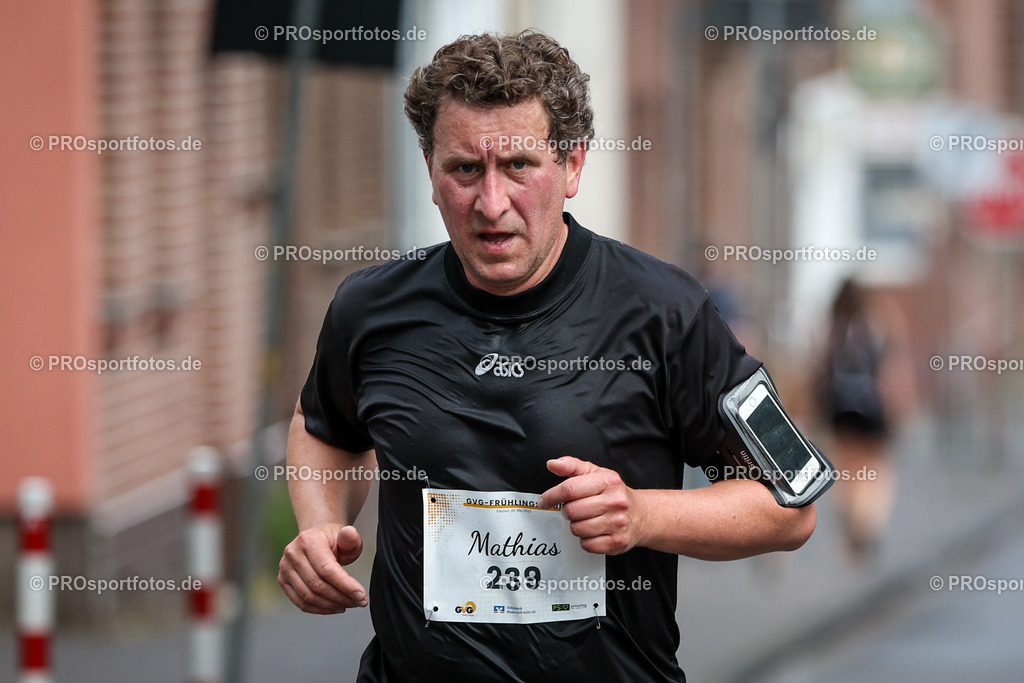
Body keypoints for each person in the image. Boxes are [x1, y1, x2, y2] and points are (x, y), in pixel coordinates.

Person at [278, 30, 816, 682]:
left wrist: (642, 514)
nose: (492, 203)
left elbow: (790, 505)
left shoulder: (665, 313)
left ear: (573, 166)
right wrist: (320, 525)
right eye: (465, 170)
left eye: (519, 166)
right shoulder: (372, 308)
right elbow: (322, 425)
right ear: (430, 170)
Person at [813, 277, 914, 563]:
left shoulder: (835, 324)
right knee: (876, 466)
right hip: (872, 408)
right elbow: (894, 367)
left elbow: (818, 367)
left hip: (840, 408)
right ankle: (867, 520)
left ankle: (854, 523)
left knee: (845, 466)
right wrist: (899, 406)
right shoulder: (879, 321)